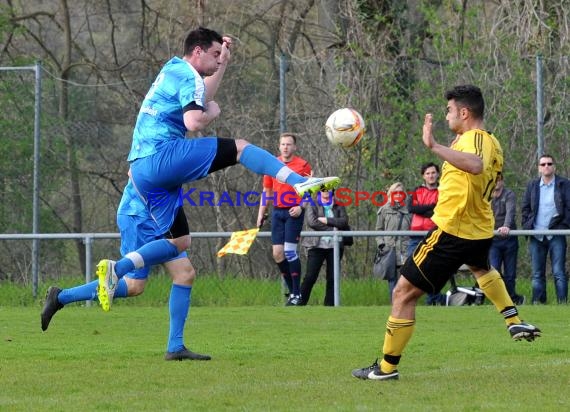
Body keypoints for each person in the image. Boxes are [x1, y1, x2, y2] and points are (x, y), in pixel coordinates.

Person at [43, 27, 340, 361]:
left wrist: (223, 64)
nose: (217, 60)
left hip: (150, 172)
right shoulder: (185, 73)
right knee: (240, 148)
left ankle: (158, 338)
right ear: (197, 51)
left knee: (176, 267)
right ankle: (297, 181)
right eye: (214, 54)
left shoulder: (176, 70)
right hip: (156, 166)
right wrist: (211, 113)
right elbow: (196, 119)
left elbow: (202, 94)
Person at [352, 84, 541, 381]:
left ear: (464, 112)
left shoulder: (475, 139)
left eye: (450, 110)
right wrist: (451, 147)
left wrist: (435, 146)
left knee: (402, 293)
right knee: (482, 268)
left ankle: (386, 369)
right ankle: (513, 320)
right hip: (477, 229)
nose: (446, 115)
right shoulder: (487, 140)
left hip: (453, 231)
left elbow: (476, 165)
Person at [256, 133, 312, 306]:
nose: (286, 147)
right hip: (277, 212)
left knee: (289, 252)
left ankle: (296, 295)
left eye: (289, 144)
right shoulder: (272, 164)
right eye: (283, 144)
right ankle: (295, 293)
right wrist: (261, 213)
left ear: (294, 147)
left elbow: (311, 190)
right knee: (277, 254)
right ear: (279, 146)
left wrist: (301, 206)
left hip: (294, 212)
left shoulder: (303, 165)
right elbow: (267, 191)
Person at [521, 154, 570, 304]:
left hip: (556, 234)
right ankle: (538, 304)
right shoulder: (532, 185)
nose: (546, 166)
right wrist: (527, 226)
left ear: (554, 166)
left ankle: (562, 303)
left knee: (559, 273)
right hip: (537, 235)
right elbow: (525, 208)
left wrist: (562, 227)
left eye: (549, 164)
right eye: (543, 164)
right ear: (539, 168)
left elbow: (568, 209)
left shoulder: (564, 184)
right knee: (537, 274)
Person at [299, 189, 349, 306]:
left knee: (332, 278)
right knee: (310, 276)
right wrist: (333, 230)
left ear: (332, 191)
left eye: (328, 189)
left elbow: (343, 222)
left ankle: (329, 306)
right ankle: (299, 303)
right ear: (319, 191)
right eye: (323, 189)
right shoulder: (313, 203)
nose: (326, 191)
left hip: (335, 246)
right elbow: (312, 222)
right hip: (316, 245)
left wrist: (326, 220)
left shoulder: (339, 205)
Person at [406, 162, 445, 305]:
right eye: (428, 173)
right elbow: (412, 208)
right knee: (411, 267)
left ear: (438, 174)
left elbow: (440, 210)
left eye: (433, 173)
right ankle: (429, 298)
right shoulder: (417, 190)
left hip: (433, 234)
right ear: (423, 176)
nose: (431, 176)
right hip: (416, 234)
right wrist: (430, 208)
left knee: (432, 268)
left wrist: (423, 209)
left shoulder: (443, 191)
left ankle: (433, 300)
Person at [490, 172, 525, 305]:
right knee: (495, 271)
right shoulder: (487, 196)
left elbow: (510, 212)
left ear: (502, 181)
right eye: (494, 180)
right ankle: (500, 298)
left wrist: (506, 226)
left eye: (499, 180)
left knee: (510, 274)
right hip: (493, 240)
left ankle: (511, 299)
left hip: (509, 239)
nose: (496, 182)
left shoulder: (509, 194)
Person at [375, 182, 410, 302]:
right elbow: (378, 230)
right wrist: (382, 245)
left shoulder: (409, 210)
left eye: (401, 192)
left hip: (406, 250)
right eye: (396, 192)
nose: (398, 195)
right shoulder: (384, 210)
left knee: (406, 279)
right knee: (392, 280)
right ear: (391, 194)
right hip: (390, 250)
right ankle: (394, 305)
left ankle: (405, 303)